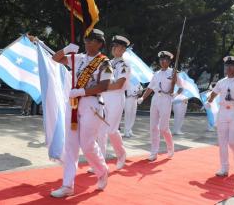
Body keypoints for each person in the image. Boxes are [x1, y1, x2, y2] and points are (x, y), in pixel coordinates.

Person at [50, 29, 112, 198]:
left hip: (92, 104)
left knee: (87, 145)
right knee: (70, 146)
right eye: (86, 39)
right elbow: (55, 59)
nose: (88, 42)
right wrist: (66, 49)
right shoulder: (78, 59)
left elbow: (104, 86)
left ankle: (102, 170)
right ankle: (67, 185)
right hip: (73, 104)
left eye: (92, 40)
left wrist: (82, 92)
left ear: (100, 43)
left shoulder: (104, 62)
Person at [138, 51, 184, 161]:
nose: (163, 62)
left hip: (166, 99)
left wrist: (176, 94)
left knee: (164, 128)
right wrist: (142, 98)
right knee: (153, 127)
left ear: (169, 61)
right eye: (161, 60)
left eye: (165, 60)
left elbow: (181, 87)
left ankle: (170, 147)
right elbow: (150, 88)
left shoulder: (173, 73)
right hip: (155, 99)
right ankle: (154, 152)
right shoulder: (156, 74)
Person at [97, 35, 130, 170]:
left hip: (116, 98)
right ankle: (99, 161)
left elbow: (118, 84)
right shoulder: (107, 62)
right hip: (104, 98)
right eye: (113, 46)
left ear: (122, 49)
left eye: (117, 46)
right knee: (100, 131)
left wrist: (102, 87)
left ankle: (121, 154)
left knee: (111, 130)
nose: (114, 48)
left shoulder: (125, 65)